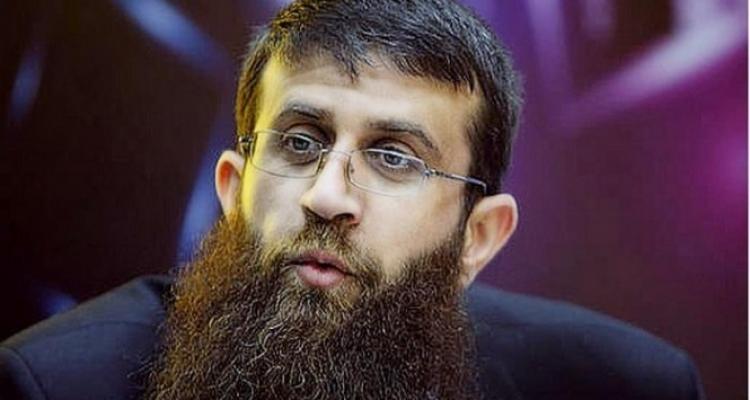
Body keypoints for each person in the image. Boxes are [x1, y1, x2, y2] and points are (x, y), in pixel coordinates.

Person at [0, 0, 705, 399]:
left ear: (478, 238)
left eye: (393, 157)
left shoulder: (621, 387)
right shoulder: (55, 385)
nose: (327, 195)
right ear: (233, 189)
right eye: (299, 142)